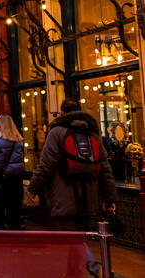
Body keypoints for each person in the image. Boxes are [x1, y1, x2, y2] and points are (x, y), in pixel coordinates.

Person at [28, 98, 117, 276]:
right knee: (80, 234)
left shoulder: (57, 132)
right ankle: (74, 271)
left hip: (64, 194)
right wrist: (110, 198)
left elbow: (46, 164)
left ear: (62, 113)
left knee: (71, 237)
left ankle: (95, 267)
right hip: (89, 194)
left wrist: (33, 187)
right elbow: (105, 168)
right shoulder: (92, 134)